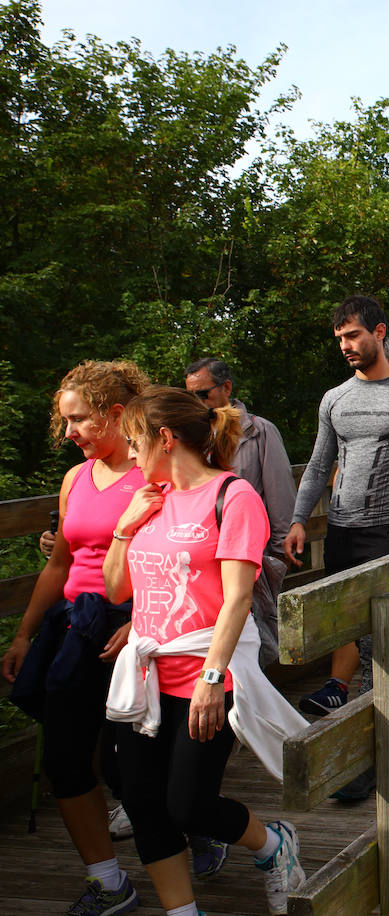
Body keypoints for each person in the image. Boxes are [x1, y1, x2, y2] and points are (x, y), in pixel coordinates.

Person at [103, 386, 307, 916]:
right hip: (146, 677)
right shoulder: (150, 499)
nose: (130, 454)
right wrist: (124, 528)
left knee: (188, 804)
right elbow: (116, 591)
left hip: (205, 674)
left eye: (135, 442)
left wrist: (212, 678)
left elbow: (238, 597)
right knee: (145, 807)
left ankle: (272, 844)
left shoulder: (233, 496)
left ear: (165, 439)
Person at [1, 361, 148, 914]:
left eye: (78, 421)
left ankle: (198, 823)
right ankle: (109, 883)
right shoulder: (75, 479)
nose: (68, 434)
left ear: (115, 415)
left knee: (129, 765)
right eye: (65, 422)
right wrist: (23, 635)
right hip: (73, 630)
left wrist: (140, 624)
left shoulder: (153, 471)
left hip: (135, 630)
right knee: (66, 758)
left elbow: (182, 562)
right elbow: (59, 563)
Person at [284, 296, 389, 802]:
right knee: (352, 639)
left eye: (354, 336)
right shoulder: (334, 398)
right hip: (340, 527)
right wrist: (300, 520)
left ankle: (372, 764)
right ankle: (367, 753)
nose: (346, 346)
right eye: (340, 338)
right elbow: (319, 464)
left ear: (379, 333)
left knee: (377, 647)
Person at [185, 358, 295, 669]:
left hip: (249, 560)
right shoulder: (192, 434)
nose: (196, 402)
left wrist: (277, 559)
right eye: (189, 396)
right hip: (204, 563)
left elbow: (280, 494)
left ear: (226, 388)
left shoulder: (259, 431)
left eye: (202, 394)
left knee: (252, 646)